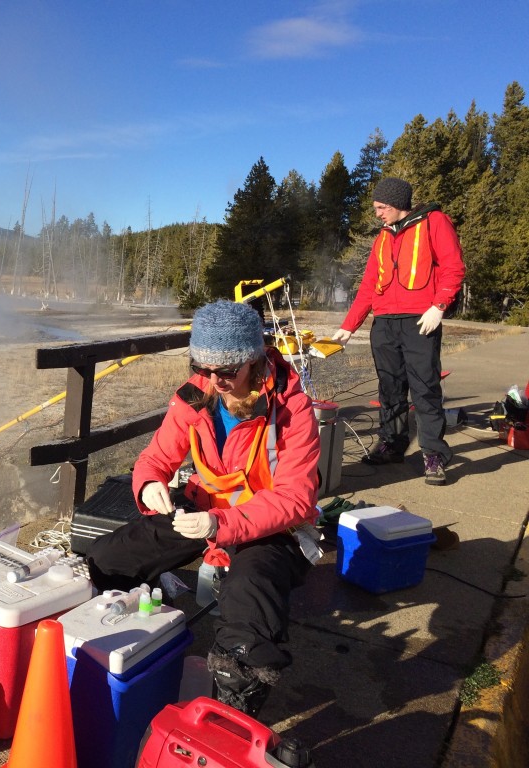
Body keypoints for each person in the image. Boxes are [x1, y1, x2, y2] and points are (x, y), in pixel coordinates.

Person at [86, 300, 321, 718]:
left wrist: (222, 522)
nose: (214, 380)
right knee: (106, 560)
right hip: (200, 513)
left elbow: (296, 498)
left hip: (272, 529)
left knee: (246, 625)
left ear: (254, 360)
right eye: (203, 367)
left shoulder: (292, 408)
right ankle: (99, 653)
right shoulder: (195, 394)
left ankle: (229, 715)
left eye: (227, 371)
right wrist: (150, 484)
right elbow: (154, 458)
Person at [331, 177, 465, 485]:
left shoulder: (434, 222)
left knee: (425, 388)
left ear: (397, 204)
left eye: (381, 208)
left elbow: (453, 266)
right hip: (385, 325)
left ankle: (433, 454)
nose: (377, 213)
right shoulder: (382, 237)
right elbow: (367, 286)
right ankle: (392, 443)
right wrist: (349, 326)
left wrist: (440, 306)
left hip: (420, 321)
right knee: (390, 388)